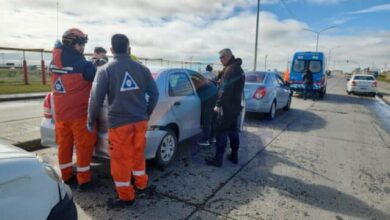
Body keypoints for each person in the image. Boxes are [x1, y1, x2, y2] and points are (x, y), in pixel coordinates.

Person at [87, 33, 159, 208]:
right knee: (137, 154)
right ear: (129, 49)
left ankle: (126, 197)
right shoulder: (142, 69)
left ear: (111, 51)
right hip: (140, 121)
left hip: (119, 124)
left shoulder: (106, 70)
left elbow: (96, 98)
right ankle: (141, 185)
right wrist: (147, 113)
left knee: (120, 161)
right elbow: (155, 94)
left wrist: (90, 120)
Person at [49, 28, 97, 190]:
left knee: (64, 146)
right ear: (73, 44)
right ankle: (84, 180)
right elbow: (98, 80)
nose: (83, 47)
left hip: (61, 114)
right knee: (84, 146)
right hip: (79, 114)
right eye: (81, 44)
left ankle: (67, 176)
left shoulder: (54, 61)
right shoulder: (83, 65)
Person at [205, 48, 245, 167]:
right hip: (235, 106)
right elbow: (232, 86)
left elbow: (225, 89)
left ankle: (218, 159)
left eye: (222, 57)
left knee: (221, 132)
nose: (220, 60)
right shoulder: (238, 69)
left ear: (228, 56)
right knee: (233, 132)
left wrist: (218, 104)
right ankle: (234, 155)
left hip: (226, 107)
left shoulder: (230, 69)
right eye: (220, 57)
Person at [196, 77, 218, 146]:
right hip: (215, 95)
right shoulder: (204, 81)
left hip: (210, 97)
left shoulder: (197, 83)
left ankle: (205, 140)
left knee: (207, 119)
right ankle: (212, 137)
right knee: (213, 119)